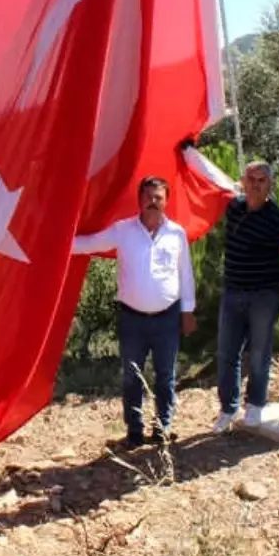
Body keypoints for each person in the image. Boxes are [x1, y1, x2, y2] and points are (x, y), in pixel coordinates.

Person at [72, 176, 196, 448]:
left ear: (166, 201)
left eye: (158, 197)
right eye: (148, 197)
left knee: (166, 376)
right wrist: (56, 242)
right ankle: (135, 430)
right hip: (132, 318)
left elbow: (185, 274)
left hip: (167, 317)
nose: (153, 202)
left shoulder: (176, 234)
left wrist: (188, 311)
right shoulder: (122, 230)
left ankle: (163, 426)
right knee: (131, 375)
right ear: (139, 200)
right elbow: (88, 244)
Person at [212, 161, 279, 432]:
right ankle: (228, 409)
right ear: (243, 181)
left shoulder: (278, 219)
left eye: (261, 180)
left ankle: (255, 405)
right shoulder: (234, 208)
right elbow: (211, 178)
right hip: (233, 292)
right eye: (251, 179)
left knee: (258, 352)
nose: (255, 185)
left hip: (264, 295)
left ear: (270, 185)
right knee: (227, 353)